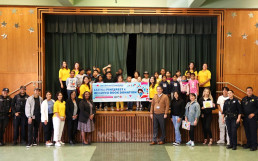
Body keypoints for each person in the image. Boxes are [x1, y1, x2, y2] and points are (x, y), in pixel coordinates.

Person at [241, 87, 258, 151]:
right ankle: (249, 144)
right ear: (246, 92)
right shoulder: (244, 99)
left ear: (252, 91)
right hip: (245, 118)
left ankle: (254, 145)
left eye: (250, 91)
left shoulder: (256, 99)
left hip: (253, 118)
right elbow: (241, 108)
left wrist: (254, 113)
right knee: (247, 132)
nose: (249, 92)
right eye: (247, 91)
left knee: (253, 132)